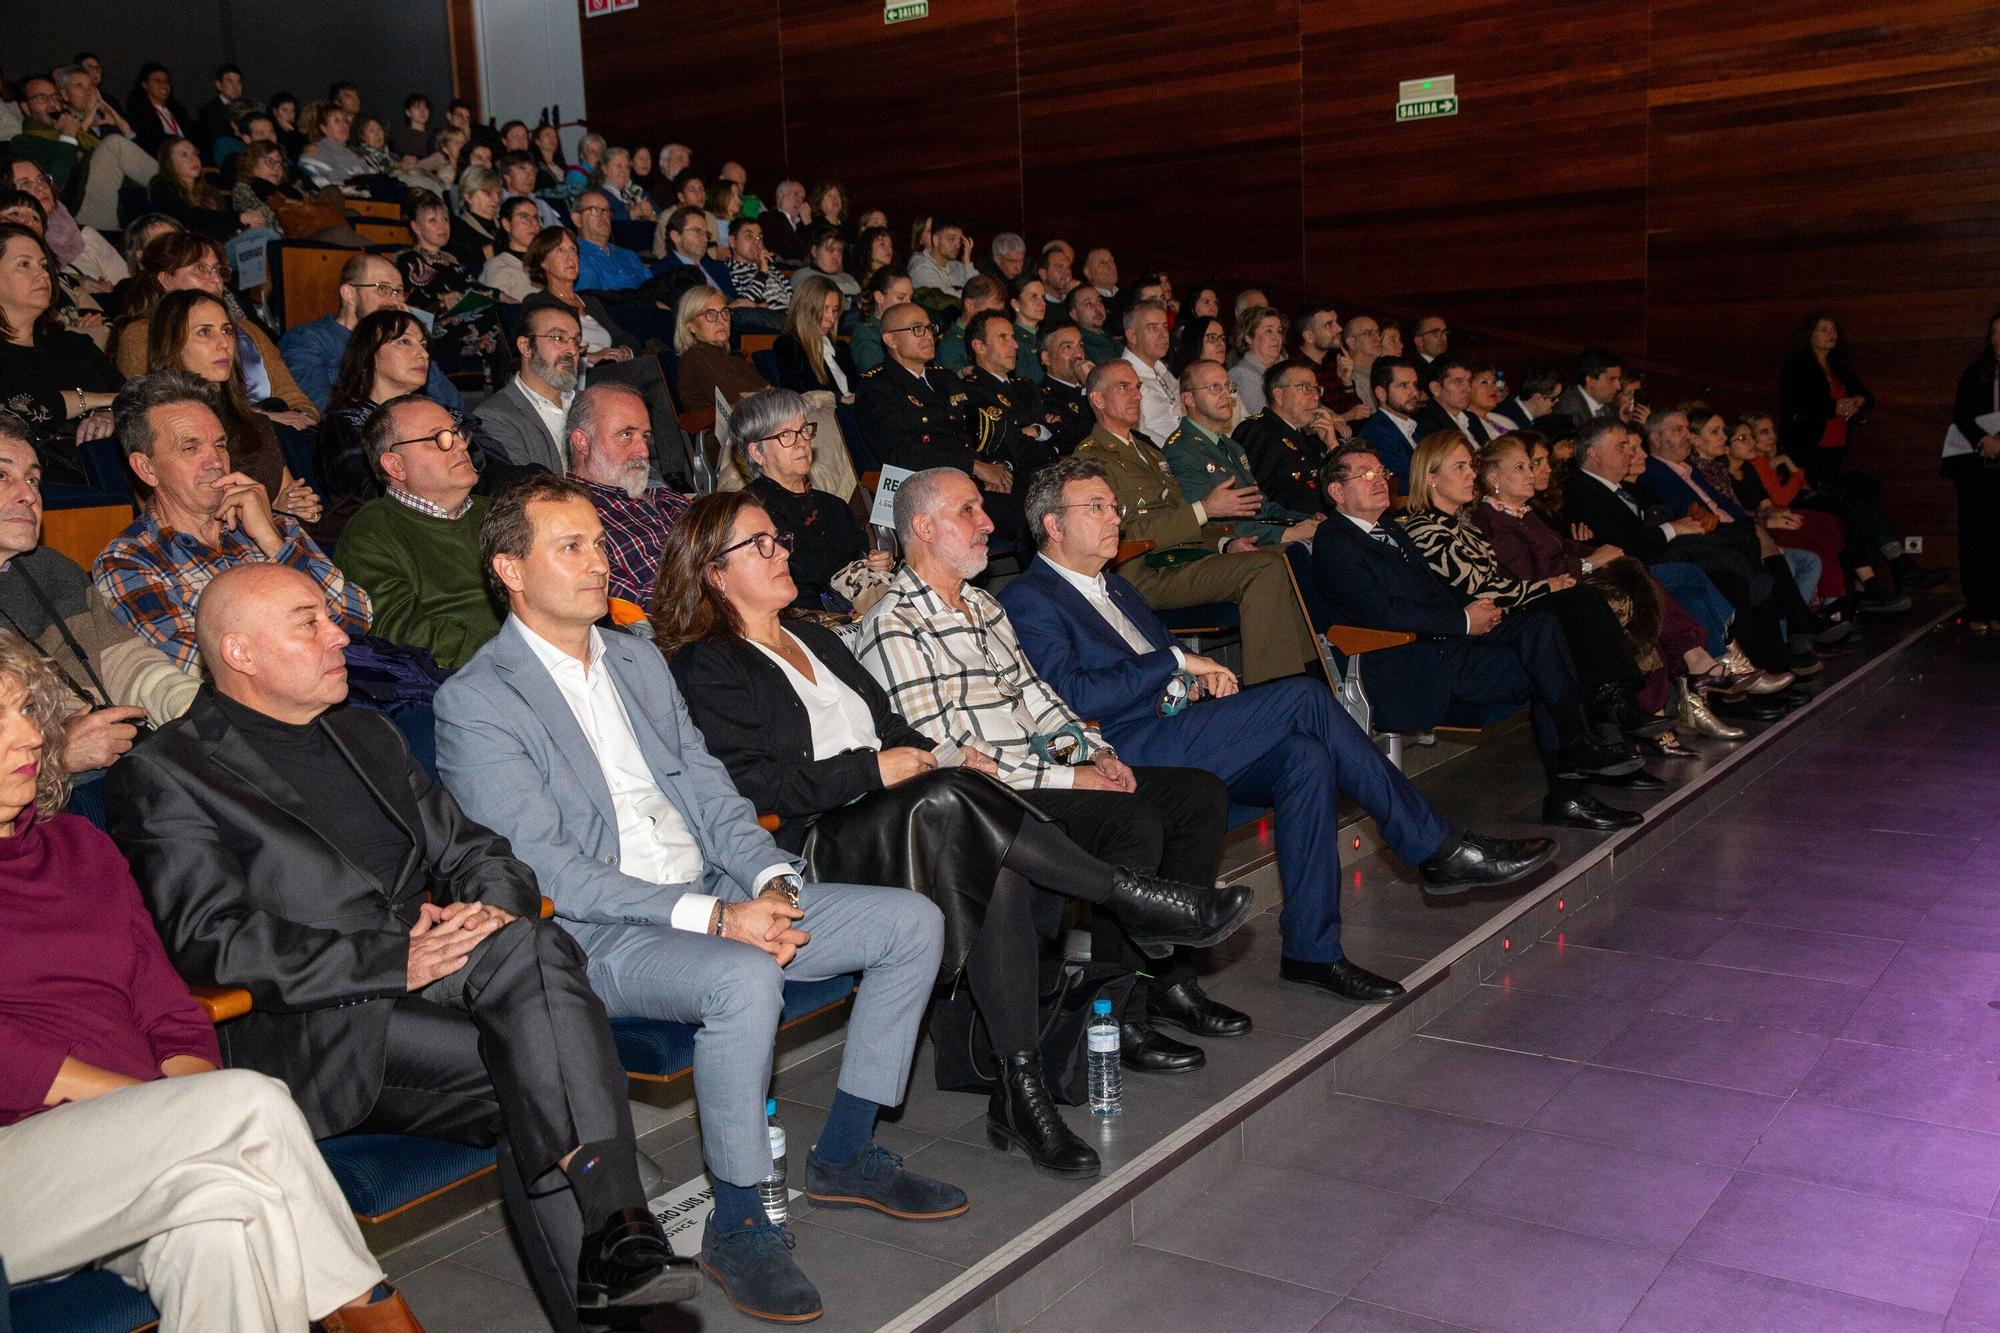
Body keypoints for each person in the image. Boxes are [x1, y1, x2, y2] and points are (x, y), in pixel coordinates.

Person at [108, 561, 699, 1327]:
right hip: (323, 1021)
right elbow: (212, 942)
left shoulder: (364, 730)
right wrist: (395, 957)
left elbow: (479, 852)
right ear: (241, 653)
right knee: (549, 1065)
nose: (340, 636)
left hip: (448, 977)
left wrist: (482, 911)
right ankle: (619, 1226)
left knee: (532, 978)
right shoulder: (169, 773)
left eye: (331, 616)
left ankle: (617, 1244)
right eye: (310, 623)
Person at [431, 474, 962, 1323]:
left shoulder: (638, 658)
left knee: (912, 922)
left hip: (715, 889)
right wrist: (717, 919)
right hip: (600, 934)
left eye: (601, 543)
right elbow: (547, 872)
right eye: (571, 547)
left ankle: (846, 1149)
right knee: (741, 978)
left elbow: (715, 793)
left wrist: (769, 880)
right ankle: (741, 1220)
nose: (600, 561)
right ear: (511, 570)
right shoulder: (477, 701)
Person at [658, 487, 1252, 1174]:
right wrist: (873, 771)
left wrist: (938, 754)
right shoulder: (708, 663)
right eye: (759, 544)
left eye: (780, 539)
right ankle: (1131, 895)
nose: (781, 550)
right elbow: (753, 788)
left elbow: (897, 729)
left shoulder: (816, 639)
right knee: (957, 802)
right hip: (819, 841)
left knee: (988, 853)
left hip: (911, 819)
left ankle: (1020, 1088)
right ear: (714, 571)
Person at [0, 633, 429, 1333]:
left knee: (222, 1222)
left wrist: (186, 1091)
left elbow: (162, 997)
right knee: (249, 1103)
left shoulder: (80, 846)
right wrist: (180, 1105)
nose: (28, 733)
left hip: (153, 1140)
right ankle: (369, 1303)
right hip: (20, 1168)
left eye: (26, 710)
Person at [1001, 458, 1556, 997]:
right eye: (1097, 507)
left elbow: (1154, 673)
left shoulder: (1118, 587)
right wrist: (1173, 663)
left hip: (1180, 731)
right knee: (1304, 696)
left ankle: (1314, 952)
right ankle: (1433, 846)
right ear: (1053, 524)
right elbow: (1072, 696)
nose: (1115, 517)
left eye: (1113, 505)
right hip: (1124, 751)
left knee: (1304, 758)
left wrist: (1190, 682)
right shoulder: (1028, 598)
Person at [854, 467, 1246, 1073]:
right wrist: (1072, 777)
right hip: (989, 798)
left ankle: (1161, 973)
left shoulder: (983, 605)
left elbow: (1038, 706)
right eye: (969, 511)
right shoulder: (894, 624)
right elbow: (951, 755)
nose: (989, 523)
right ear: (924, 528)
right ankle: (1123, 1015)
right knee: (1131, 820)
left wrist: (1090, 754)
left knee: (1197, 795)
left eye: (983, 508)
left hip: (1039, 773)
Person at [1312, 442, 1645, 830]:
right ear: (1336, 492)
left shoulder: (1387, 528)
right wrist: (1462, 621)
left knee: (1545, 627)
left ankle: (1583, 752)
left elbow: (1432, 591)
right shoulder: (1335, 542)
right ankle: (1577, 771)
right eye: (1366, 475)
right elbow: (1380, 613)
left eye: (1382, 472)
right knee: (1549, 663)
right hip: (1405, 663)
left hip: (1441, 644)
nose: (1381, 481)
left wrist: (1478, 609)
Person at [1399, 432, 1672, 774]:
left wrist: (1554, 584)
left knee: (1565, 618)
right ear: (1431, 478)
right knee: (1558, 621)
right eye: (1460, 467)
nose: (1472, 474)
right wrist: (1546, 587)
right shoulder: (1425, 529)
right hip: (1466, 634)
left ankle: (1609, 720)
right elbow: (1483, 588)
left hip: (1497, 616)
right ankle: (1605, 723)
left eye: (1470, 465)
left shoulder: (1463, 527)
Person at [1074, 359, 1317, 685]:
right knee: (1264, 568)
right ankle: (1274, 689)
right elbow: (1123, 532)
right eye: (1123, 387)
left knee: (1286, 556)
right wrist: (1205, 508)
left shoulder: (1150, 453)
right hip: (1143, 572)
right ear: (1098, 399)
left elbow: (1179, 520)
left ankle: (1313, 676)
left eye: (1138, 387)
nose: (1136, 395)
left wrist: (1226, 543)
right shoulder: (1092, 458)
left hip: (1184, 559)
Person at [0, 416, 195, 777]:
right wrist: (55, 755)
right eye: (2, 476)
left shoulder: (50, 569)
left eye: (33, 479)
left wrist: (202, 711)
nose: (29, 494)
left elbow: (122, 658)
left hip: (113, 763)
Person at [1560, 416, 1798, 676]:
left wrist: (1678, 522)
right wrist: (1673, 528)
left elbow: (1652, 523)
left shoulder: (1622, 488)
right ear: (1594, 454)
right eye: (1621, 447)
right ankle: (1744, 663)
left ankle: (1744, 674)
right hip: (1630, 577)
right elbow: (1621, 549)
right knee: (1726, 575)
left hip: (1661, 564)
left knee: (1711, 586)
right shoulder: (1581, 492)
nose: (1630, 453)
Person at [334, 395, 500, 670]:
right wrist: (513, 657)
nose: (459, 444)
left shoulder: (499, 512)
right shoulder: (370, 534)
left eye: (458, 433)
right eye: (439, 438)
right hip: (470, 678)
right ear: (395, 466)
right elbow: (403, 633)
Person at [139, 288, 320, 521]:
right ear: (172, 344)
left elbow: (286, 495)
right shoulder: (153, 425)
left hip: (272, 543)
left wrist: (300, 506)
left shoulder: (255, 423)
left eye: (227, 331)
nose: (223, 343)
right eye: (204, 332)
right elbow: (162, 517)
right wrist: (270, 511)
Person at [856, 300, 1023, 536]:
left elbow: (978, 430)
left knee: (1042, 501)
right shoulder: (877, 387)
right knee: (1028, 517)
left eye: (929, 328)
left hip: (972, 484)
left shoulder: (943, 378)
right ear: (891, 340)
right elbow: (900, 453)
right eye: (916, 329)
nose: (928, 336)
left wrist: (997, 469)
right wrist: (971, 466)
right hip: (929, 494)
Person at [0, 221, 120, 485]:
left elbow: (136, 399)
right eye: (24, 264)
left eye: (44, 265)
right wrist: (97, 400)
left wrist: (108, 414)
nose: (43, 274)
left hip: (107, 485)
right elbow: (25, 411)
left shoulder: (72, 346)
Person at [1163, 359, 1322, 548]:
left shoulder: (1232, 447)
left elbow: (1259, 506)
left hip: (1257, 538)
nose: (1226, 394)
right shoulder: (1181, 450)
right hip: (1228, 551)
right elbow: (1207, 525)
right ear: (1189, 399)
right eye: (1215, 387)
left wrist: (1308, 520)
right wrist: (1285, 534)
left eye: (1227, 386)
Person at [278, 252, 464, 412]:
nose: (394, 300)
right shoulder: (309, 339)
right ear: (349, 294)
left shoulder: (402, 342)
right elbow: (318, 409)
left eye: (399, 292)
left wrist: (412, 338)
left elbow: (454, 406)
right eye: (382, 289)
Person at [564, 382, 692, 603]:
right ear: (582, 442)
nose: (643, 451)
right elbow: (646, 611)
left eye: (645, 436)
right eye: (626, 435)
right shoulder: (575, 518)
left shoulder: (664, 496)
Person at [318, 308, 441, 509]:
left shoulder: (446, 415)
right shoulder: (344, 423)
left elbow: (493, 470)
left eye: (424, 345)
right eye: (404, 341)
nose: (423, 354)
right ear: (369, 352)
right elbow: (372, 493)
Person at [474, 298, 581, 474]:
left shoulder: (586, 404)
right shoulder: (495, 416)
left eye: (576, 341)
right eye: (558, 338)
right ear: (526, 347)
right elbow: (526, 492)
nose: (572, 350)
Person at [1236, 359, 1342, 515]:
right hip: (1287, 531)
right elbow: (1256, 497)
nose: (1315, 397)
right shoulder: (1258, 430)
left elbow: (1341, 489)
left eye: (1316, 389)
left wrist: (1332, 445)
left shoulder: (1312, 439)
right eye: (1305, 388)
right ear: (1279, 394)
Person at [1948, 311, 2000, 630]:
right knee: (1977, 537)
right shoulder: (1976, 373)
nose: (1997, 338)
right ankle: (1979, 606)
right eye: (1993, 332)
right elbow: (1961, 413)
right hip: (1978, 465)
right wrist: (1985, 439)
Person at [1778, 311, 1873, 483]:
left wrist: (1858, 400)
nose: (1831, 334)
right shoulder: (1797, 364)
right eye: (1824, 330)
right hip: (1808, 439)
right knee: (1807, 487)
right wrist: (1832, 407)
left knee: (1830, 486)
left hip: (1837, 438)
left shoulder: (1839, 365)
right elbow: (1794, 402)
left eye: (1833, 330)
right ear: (1810, 335)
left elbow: (1867, 395)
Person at [770, 274, 855, 402]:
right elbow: (795, 393)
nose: (831, 318)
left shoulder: (841, 347)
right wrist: (838, 398)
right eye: (824, 310)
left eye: (835, 310)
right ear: (806, 310)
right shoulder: (788, 346)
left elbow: (858, 385)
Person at [1119, 298, 1183, 443]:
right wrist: (1176, 452)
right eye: (1153, 328)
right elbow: (1136, 432)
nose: (1163, 335)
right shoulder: (1123, 378)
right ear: (1132, 336)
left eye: (1165, 327)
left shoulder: (1162, 368)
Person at [1355, 355, 1423, 486]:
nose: (1414, 392)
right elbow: (1397, 484)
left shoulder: (1414, 427)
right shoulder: (1376, 433)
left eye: (1415, 385)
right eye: (1403, 386)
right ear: (1381, 393)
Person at [1037, 324, 1096, 454]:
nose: (1079, 354)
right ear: (1047, 358)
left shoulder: (1092, 386)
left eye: (1080, 345)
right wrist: (1088, 388)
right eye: (1067, 347)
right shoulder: (1043, 397)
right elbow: (1082, 440)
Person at [1545, 347, 1623, 440]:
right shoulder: (1568, 407)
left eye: (1619, 379)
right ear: (1590, 380)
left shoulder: (1612, 407)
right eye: (1612, 380)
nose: (1618, 386)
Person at [1413, 355, 1491, 447]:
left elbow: (1490, 455)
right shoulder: (1426, 423)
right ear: (1436, 388)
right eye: (1458, 382)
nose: (1468, 389)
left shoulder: (1472, 418)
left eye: (1469, 381)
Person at [724, 215, 792, 311]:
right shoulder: (728, 272)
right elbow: (744, 306)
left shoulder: (771, 268)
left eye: (759, 238)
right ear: (732, 241)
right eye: (749, 236)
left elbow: (792, 297)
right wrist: (763, 273)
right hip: (767, 320)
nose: (757, 243)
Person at [849, 268, 911, 373]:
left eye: (910, 297)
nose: (908, 303)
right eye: (901, 297)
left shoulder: (908, 328)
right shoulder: (866, 333)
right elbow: (876, 374)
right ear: (879, 297)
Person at [1228, 306, 1286, 415]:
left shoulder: (1282, 370)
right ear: (1248, 337)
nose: (1277, 337)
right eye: (1268, 331)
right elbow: (1261, 417)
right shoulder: (1241, 374)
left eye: (1279, 331)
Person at [907, 213, 974, 298]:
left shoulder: (954, 265)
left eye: (960, 240)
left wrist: (967, 263)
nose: (958, 245)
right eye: (951, 239)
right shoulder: (921, 269)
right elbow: (947, 300)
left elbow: (981, 288)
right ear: (936, 239)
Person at [1495, 365, 1562, 434]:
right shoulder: (1511, 426)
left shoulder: (1513, 405)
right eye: (1553, 398)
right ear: (1537, 398)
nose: (1557, 400)